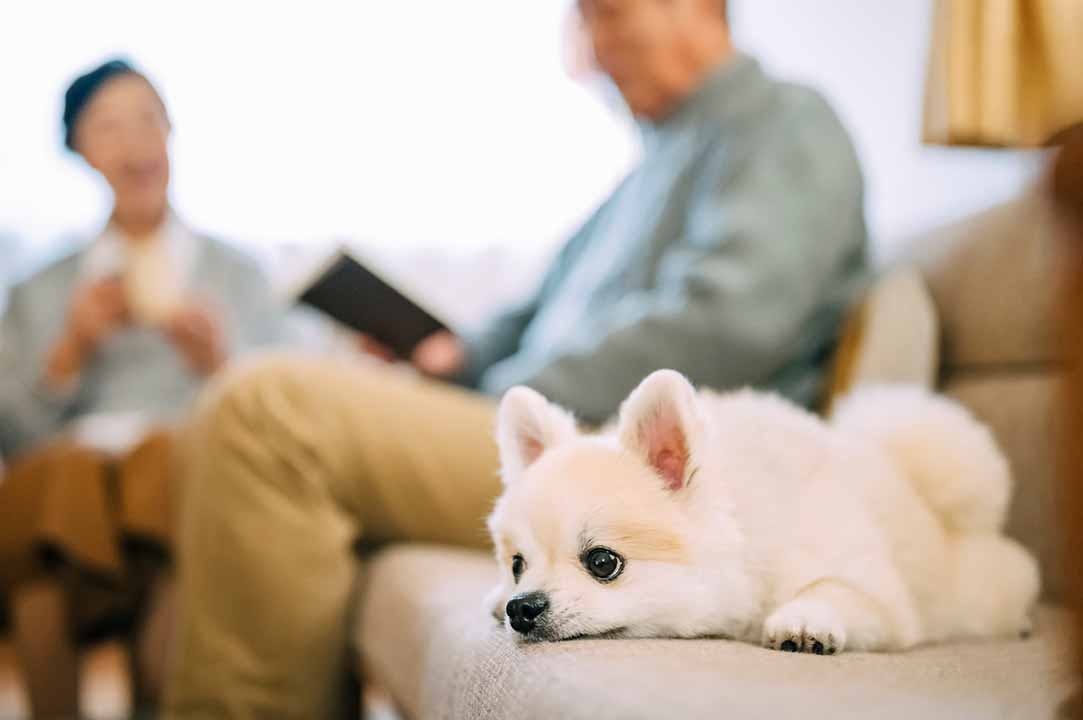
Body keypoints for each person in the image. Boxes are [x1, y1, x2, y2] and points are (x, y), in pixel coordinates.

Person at [165, 1, 868, 717]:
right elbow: (533, 312)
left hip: (616, 472)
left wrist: (501, 388)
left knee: (268, 408)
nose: (591, 54)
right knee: (243, 404)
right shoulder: (647, 170)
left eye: (609, 16)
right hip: (554, 436)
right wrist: (453, 361)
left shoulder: (782, 123)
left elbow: (726, 323)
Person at [0, 59, 280, 718]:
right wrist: (68, 353)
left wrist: (220, 364)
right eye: (110, 126)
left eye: (149, 119)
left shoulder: (234, 277)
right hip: (71, 500)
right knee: (57, 506)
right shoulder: (41, 290)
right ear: (79, 150)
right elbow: (12, 437)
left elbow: (288, 415)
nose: (136, 142)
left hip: (180, 491)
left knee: (169, 467)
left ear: (171, 133)